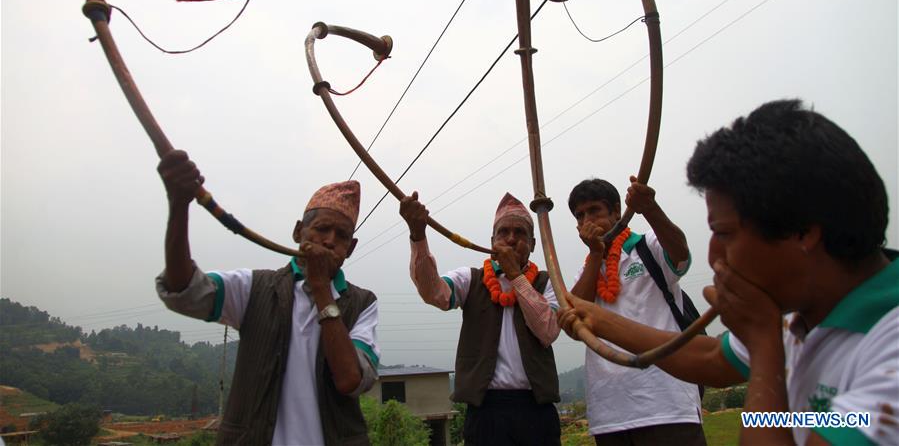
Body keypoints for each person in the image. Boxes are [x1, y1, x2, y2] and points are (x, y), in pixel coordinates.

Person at [559, 99, 898, 445]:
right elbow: (709, 358)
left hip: (666, 409)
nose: (713, 256)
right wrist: (599, 321)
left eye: (724, 233)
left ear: (803, 232)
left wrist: (764, 345)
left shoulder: (889, 346)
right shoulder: (798, 318)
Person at [155, 150, 379, 446]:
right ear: (298, 232)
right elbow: (183, 290)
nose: (329, 241)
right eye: (321, 229)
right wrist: (179, 204)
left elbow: (351, 380)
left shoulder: (363, 303)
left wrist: (322, 288)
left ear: (351, 248)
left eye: (342, 236)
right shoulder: (254, 287)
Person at [400, 191, 562, 445]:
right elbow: (433, 293)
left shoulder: (548, 281)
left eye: (519, 233)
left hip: (536, 409)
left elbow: (548, 330)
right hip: (485, 411)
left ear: (532, 243)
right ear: (492, 241)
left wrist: (515, 276)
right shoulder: (470, 278)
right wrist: (418, 236)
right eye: (503, 232)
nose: (511, 239)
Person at [567, 176, 705, 445]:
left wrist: (650, 208)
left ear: (617, 212)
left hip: (668, 405)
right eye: (580, 216)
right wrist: (596, 254)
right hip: (610, 414)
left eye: (594, 210)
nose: (587, 221)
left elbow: (681, 256)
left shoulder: (648, 245)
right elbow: (575, 323)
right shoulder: (586, 270)